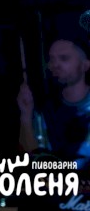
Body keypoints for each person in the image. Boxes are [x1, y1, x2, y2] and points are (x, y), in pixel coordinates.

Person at [18, 27, 90, 168]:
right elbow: (31, 156)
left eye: (64, 58)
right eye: (51, 59)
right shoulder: (46, 110)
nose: (55, 65)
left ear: (85, 65)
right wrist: (25, 115)